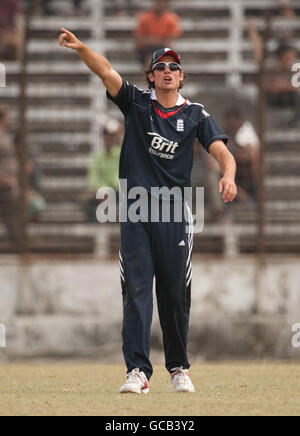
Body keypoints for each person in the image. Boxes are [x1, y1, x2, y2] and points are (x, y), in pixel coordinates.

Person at [59, 29, 237, 394]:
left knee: (173, 292)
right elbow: (106, 72)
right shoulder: (137, 103)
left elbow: (220, 150)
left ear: (181, 76)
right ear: (151, 75)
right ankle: (137, 372)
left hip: (175, 216)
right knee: (136, 289)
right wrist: (81, 50)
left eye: (174, 66)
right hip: (136, 213)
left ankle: (178, 368)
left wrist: (229, 175)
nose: (168, 71)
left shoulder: (195, 113)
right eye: (161, 67)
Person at [224, 109, 259, 205]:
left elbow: (250, 152)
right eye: (229, 119)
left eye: (234, 119)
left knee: (255, 163)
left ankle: (251, 196)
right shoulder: (223, 135)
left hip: (243, 166)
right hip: (228, 167)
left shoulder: (245, 132)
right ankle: (243, 196)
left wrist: (244, 154)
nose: (232, 122)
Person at [134, 0, 182, 67]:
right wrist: (155, 40)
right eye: (158, 2)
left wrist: (151, 39)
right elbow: (139, 37)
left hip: (163, 47)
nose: (160, 5)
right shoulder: (145, 17)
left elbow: (171, 38)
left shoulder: (171, 18)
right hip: (148, 48)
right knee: (149, 58)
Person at [0, 107, 21, 252]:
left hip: (9, 185)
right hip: (4, 184)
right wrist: (4, 179)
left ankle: (18, 246)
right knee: (13, 219)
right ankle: (19, 248)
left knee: (14, 216)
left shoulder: (5, 135)